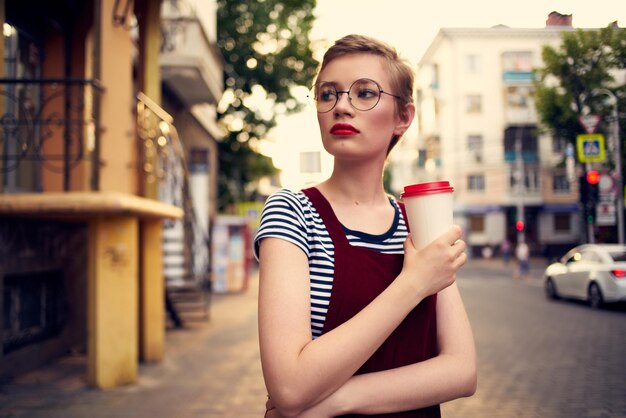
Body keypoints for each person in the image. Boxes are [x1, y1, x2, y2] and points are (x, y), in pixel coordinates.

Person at [254, 34, 476, 418]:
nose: (342, 106)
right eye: (328, 94)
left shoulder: (420, 219)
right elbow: (290, 386)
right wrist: (413, 283)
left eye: (364, 93)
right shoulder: (292, 211)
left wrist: (335, 401)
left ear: (403, 117)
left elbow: (461, 371)